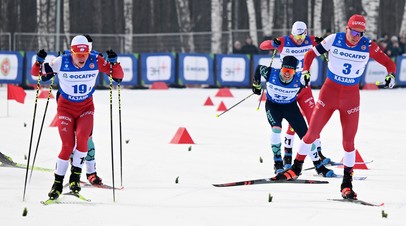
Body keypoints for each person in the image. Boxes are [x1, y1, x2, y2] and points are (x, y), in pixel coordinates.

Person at [273, 14, 396, 200]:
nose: (356, 36)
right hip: (329, 93)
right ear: (347, 28)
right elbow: (309, 54)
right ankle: (295, 169)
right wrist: (306, 71)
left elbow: (389, 63)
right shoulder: (334, 39)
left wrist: (391, 76)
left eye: (360, 33)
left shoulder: (368, 45)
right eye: (353, 31)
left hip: (351, 98)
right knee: (311, 133)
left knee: (348, 142)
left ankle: (347, 184)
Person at [31, 35, 124, 200]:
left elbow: (118, 76)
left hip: (86, 108)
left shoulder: (95, 60)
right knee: (67, 145)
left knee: (83, 140)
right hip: (66, 108)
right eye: (78, 55)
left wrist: (114, 63)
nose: (82, 58)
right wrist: (39, 62)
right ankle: (57, 184)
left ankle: (75, 178)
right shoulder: (61, 61)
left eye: (85, 54)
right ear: (72, 52)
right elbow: (37, 74)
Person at [259, 21, 332, 173]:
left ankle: (317, 154)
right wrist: (273, 42)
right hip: (287, 87)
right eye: (296, 36)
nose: (299, 39)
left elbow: (327, 45)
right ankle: (287, 156)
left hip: (303, 88)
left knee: (313, 121)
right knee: (290, 122)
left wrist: (322, 41)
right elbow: (263, 46)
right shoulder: (285, 41)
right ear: (292, 34)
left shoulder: (310, 39)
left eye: (302, 36)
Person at [252, 55, 335, 176]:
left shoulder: (299, 79)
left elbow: (307, 76)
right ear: (281, 68)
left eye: (290, 71)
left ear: (294, 71)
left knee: (307, 136)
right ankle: (278, 164)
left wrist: (307, 77)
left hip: (290, 107)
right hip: (273, 107)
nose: (287, 74)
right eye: (285, 70)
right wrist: (256, 84)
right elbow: (259, 68)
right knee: (276, 129)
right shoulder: (271, 73)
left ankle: (319, 166)